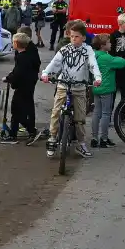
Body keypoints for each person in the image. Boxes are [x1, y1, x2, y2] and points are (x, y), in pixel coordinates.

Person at [41, 20, 103, 159]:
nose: (73, 39)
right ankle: (52, 137)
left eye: (77, 36)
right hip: (63, 85)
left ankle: (80, 143)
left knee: (80, 118)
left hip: (79, 87)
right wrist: (46, 73)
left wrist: (97, 77)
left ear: (83, 38)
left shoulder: (88, 50)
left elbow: (93, 65)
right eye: (71, 36)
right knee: (56, 112)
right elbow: (55, 63)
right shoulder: (64, 49)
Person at [0, 31, 42, 145]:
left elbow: (18, 73)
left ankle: (27, 131)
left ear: (17, 44)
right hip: (28, 85)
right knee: (21, 110)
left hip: (22, 87)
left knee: (16, 110)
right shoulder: (28, 56)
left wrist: (8, 78)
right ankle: (22, 130)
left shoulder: (21, 58)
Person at [90, 35, 125, 148]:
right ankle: (104, 138)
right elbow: (122, 63)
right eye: (109, 43)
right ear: (103, 46)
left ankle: (94, 137)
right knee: (106, 114)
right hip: (106, 88)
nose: (111, 44)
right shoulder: (107, 58)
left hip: (96, 88)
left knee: (96, 113)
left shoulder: (94, 56)